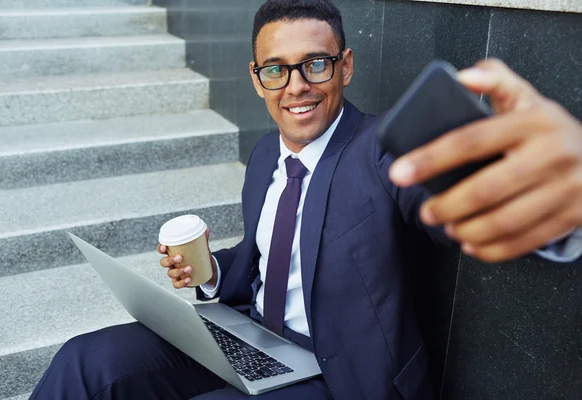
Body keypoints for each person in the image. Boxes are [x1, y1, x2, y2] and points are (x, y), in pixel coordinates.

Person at [30, 0, 582, 399]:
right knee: (88, 360)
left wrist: (542, 190)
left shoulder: (381, 150)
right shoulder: (267, 155)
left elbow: (446, 194)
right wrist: (211, 272)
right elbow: (262, 256)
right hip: (252, 339)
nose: (296, 85)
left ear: (345, 65)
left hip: (333, 376)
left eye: (315, 64)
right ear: (256, 78)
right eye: (277, 70)